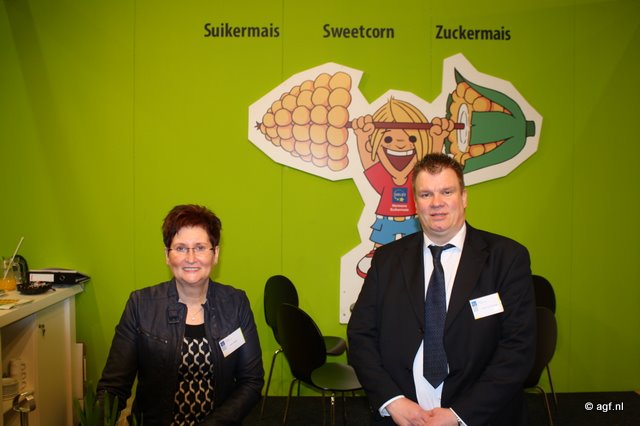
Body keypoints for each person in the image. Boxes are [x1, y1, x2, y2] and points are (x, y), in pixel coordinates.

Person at [347, 153, 536, 425]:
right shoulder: (387, 260)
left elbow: (518, 348)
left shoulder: (507, 258)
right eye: (426, 194)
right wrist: (391, 400)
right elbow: (361, 334)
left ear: (464, 197)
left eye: (447, 192)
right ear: (415, 203)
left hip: (480, 417)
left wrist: (460, 414)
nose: (436, 202)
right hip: (402, 416)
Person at [97, 204, 264, 425]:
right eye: (181, 248)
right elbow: (113, 387)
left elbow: (251, 381)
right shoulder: (140, 305)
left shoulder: (236, 304)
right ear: (167, 255)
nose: (191, 258)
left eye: (200, 247)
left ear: (215, 254)